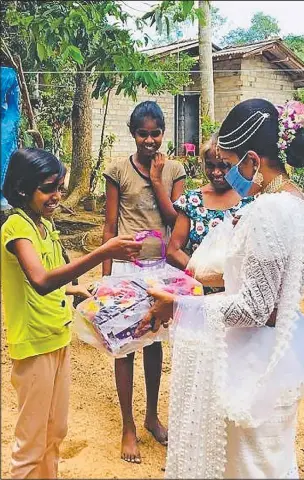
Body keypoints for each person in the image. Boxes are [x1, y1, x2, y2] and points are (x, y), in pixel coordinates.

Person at [137, 98, 304, 479]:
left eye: (232, 165)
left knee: (248, 465)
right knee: (271, 459)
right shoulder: (302, 205)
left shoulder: (270, 211)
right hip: (281, 353)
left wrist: (180, 308)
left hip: (253, 362)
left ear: (252, 160)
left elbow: (254, 307)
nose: (229, 175)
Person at [1, 148, 142, 479]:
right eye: (49, 188)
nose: (57, 195)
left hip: (57, 337)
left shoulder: (44, 226)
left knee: (56, 432)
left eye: (60, 187)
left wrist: (75, 289)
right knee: (31, 443)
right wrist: (102, 252)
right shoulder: (16, 228)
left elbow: (52, 277)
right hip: (34, 345)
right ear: (23, 188)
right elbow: (39, 280)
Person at [102, 100, 186, 463]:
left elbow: (176, 220)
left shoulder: (175, 170)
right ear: (132, 134)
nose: (150, 140)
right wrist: (105, 282)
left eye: (155, 133)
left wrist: (156, 179)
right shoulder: (117, 169)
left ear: (163, 133)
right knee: (124, 347)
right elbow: (109, 227)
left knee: (153, 344)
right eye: (142, 133)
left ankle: (151, 414)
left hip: (159, 272)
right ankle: (128, 426)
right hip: (125, 271)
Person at [167, 133, 254, 292]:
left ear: (236, 164)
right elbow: (173, 250)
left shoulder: (251, 199)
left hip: (240, 295)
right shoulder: (192, 201)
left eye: (223, 166)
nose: (216, 172)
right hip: (201, 295)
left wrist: (231, 279)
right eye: (210, 165)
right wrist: (203, 275)